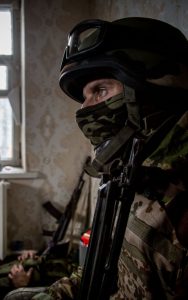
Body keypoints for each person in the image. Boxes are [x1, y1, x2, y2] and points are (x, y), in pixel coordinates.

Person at [29, 17, 188, 299]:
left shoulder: (178, 201)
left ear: (150, 90)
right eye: (85, 97)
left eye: (100, 90)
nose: (85, 108)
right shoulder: (132, 173)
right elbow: (102, 269)